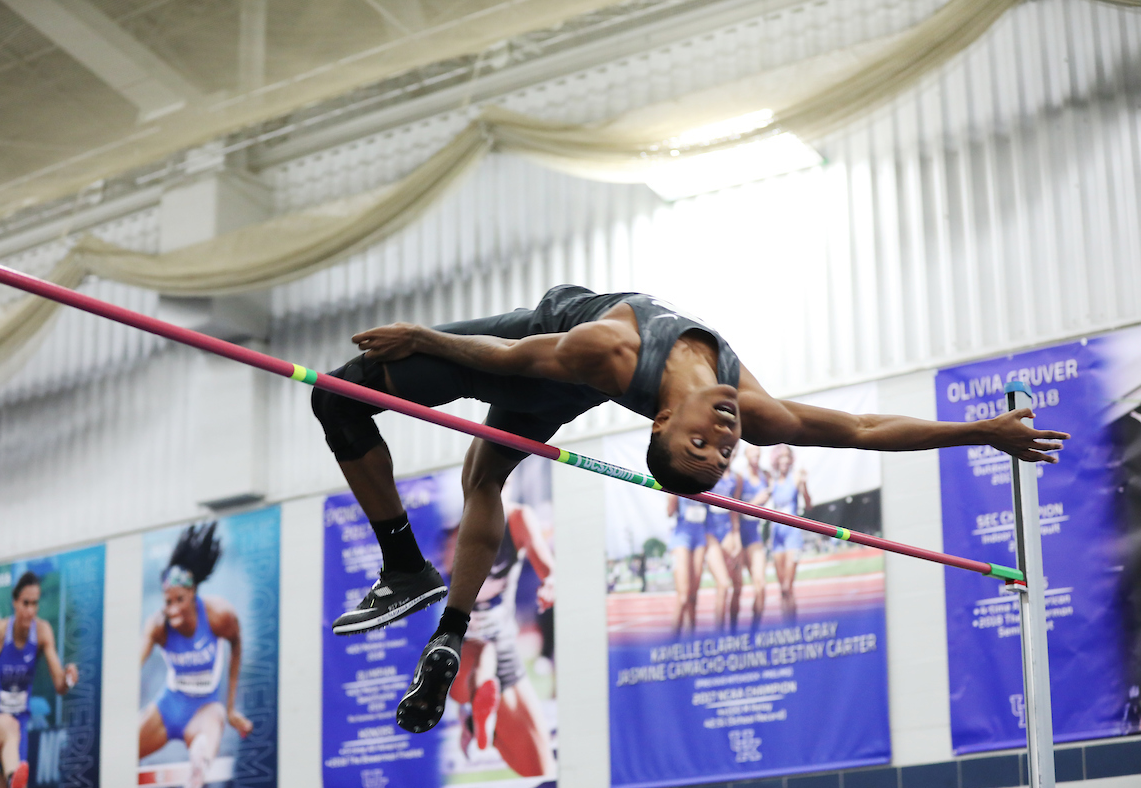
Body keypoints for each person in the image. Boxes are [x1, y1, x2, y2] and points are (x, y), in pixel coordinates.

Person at [311, 284, 1067, 734]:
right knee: (479, 480)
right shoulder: (751, 403)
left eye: (702, 445)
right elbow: (864, 431)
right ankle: (448, 634)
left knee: (337, 394)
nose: (725, 439)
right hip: (550, 375)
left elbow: (507, 360)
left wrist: (420, 338)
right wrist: (982, 432)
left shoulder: (608, 351)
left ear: (660, 425)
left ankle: (407, 568)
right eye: (720, 451)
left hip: (541, 354)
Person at [139, 523, 252, 788]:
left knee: (214, 724)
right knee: (125, 749)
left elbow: (236, 646)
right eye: (167, 601)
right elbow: (133, 665)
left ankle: (200, 760)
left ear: (193, 595)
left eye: (179, 599)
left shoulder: (219, 615)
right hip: (170, 706)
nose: (173, 608)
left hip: (204, 707)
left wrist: (232, 707)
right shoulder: (158, 626)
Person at [447, 500, 556, 778]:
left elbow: (547, 568)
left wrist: (550, 583)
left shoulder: (517, 517)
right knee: (481, 655)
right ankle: (476, 706)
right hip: (459, 655)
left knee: (540, 770)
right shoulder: (443, 526)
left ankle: (478, 715)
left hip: (501, 647)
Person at [0, 571, 79, 788]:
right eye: (25, 603)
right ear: (15, 603)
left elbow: (59, 685)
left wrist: (68, 679)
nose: (30, 610)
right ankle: (11, 778)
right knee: (8, 724)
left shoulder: (42, 631)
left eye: (35, 604)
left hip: (20, 730)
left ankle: (12, 783)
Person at [667, 467, 735, 634]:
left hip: (700, 537)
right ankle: (672, 643)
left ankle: (691, 637)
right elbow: (669, 512)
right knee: (683, 597)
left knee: (693, 596)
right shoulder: (678, 477)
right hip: (682, 537)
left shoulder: (706, 480)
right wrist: (673, 494)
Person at [723, 445, 771, 632]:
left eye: (759, 453)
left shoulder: (766, 476)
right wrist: (755, 502)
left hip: (754, 535)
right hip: (737, 535)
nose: (756, 456)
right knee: (738, 588)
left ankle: (754, 632)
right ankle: (733, 633)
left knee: (761, 585)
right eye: (752, 452)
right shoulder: (740, 477)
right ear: (746, 455)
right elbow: (734, 509)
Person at [767, 444, 810, 624]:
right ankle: (787, 626)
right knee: (782, 589)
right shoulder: (772, 480)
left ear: (791, 459)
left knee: (787, 586)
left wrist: (804, 486)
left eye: (787, 456)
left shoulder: (796, 477)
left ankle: (792, 625)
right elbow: (763, 497)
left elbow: (808, 505)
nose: (784, 460)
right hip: (776, 534)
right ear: (776, 460)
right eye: (781, 456)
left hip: (792, 534)